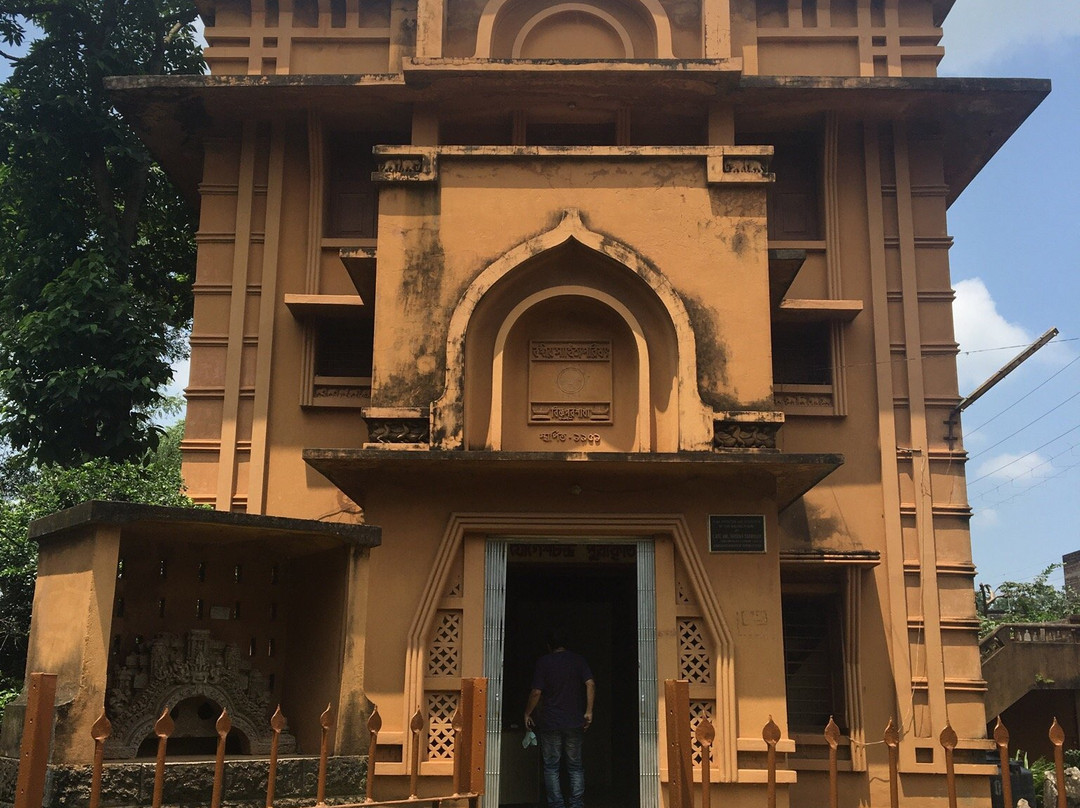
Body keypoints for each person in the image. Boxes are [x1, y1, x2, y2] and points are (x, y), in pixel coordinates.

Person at [523, 629, 595, 808]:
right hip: (574, 721)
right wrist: (589, 711)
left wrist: (527, 713)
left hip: (550, 722)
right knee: (575, 765)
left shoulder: (544, 662)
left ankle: (556, 804)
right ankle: (576, 804)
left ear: (549, 646)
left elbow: (536, 692)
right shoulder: (578, 660)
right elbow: (590, 683)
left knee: (551, 766)